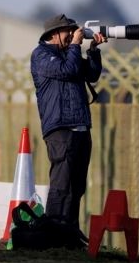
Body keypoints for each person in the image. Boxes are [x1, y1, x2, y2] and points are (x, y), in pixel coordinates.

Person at [30, 14, 106, 228]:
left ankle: (69, 232)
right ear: (54, 34)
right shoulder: (41, 55)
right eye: (68, 32)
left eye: (74, 32)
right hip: (60, 129)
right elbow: (68, 70)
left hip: (81, 126)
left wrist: (92, 51)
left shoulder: (69, 54)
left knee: (77, 185)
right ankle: (54, 232)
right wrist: (75, 45)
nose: (73, 35)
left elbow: (91, 74)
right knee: (61, 185)